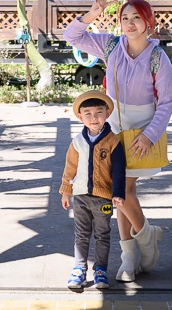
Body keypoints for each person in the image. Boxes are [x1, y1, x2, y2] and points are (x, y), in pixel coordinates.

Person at [63, 0, 172, 282]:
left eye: (136, 17)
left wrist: (151, 135)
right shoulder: (110, 45)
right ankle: (138, 247)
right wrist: (93, 13)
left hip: (141, 130)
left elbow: (167, 101)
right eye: (125, 18)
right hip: (112, 129)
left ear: (148, 22)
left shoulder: (157, 57)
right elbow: (71, 35)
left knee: (122, 192)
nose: (130, 23)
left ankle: (140, 246)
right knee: (123, 193)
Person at [59, 90, 126, 290]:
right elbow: (69, 167)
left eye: (99, 112)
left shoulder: (113, 141)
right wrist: (66, 191)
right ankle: (79, 269)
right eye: (87, 113)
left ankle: (101, 269)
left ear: (107, 113)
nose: (94, 117)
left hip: (103, 198)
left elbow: (119, 169)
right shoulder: (77, 142)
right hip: (80, 196)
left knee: (102, 234)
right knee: (81, 233)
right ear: (80, 117)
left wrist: (118, 193)